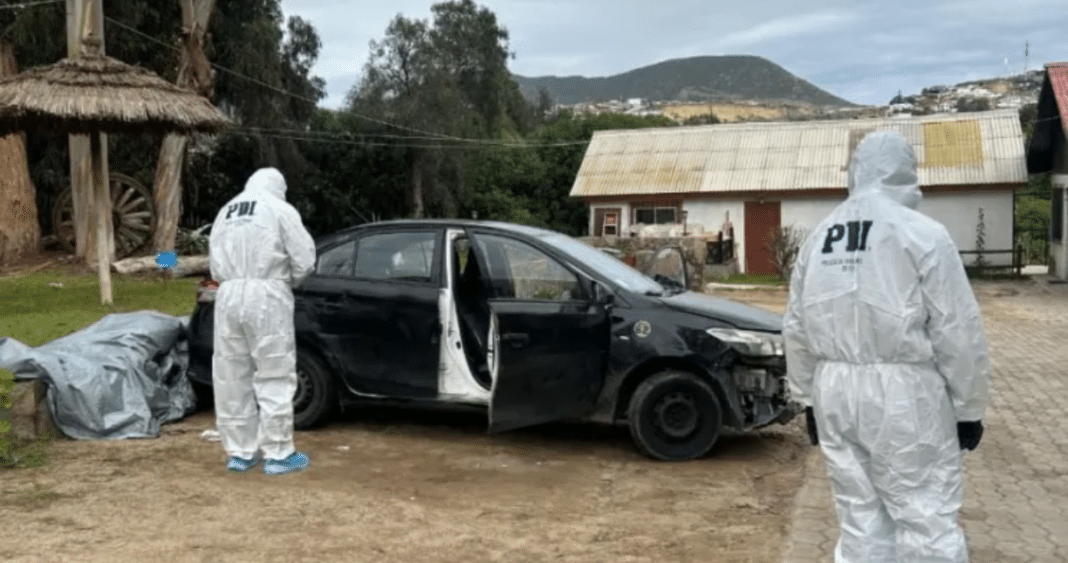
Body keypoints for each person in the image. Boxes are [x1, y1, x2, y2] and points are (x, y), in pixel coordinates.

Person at [783, 130, 989, 562]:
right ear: (906, 172)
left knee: (860, 518)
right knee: (925, 516)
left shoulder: (818, 238)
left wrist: (807, 401)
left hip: (834, 390)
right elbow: (957, 329)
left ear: (856, 171)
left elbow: (796, 327)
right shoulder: (922, 234)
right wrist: (968, 407)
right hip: (903, 397)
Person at [209, 167, 316, 475]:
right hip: (267, 294)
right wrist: (286, 282)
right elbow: (305, 260)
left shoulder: (226, 211)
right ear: (279, 187)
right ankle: (279, 453)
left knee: (231, 373)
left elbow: (215, 266)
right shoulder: (280, 208)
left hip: (228, 293)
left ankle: (240, 452)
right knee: (275, 372)